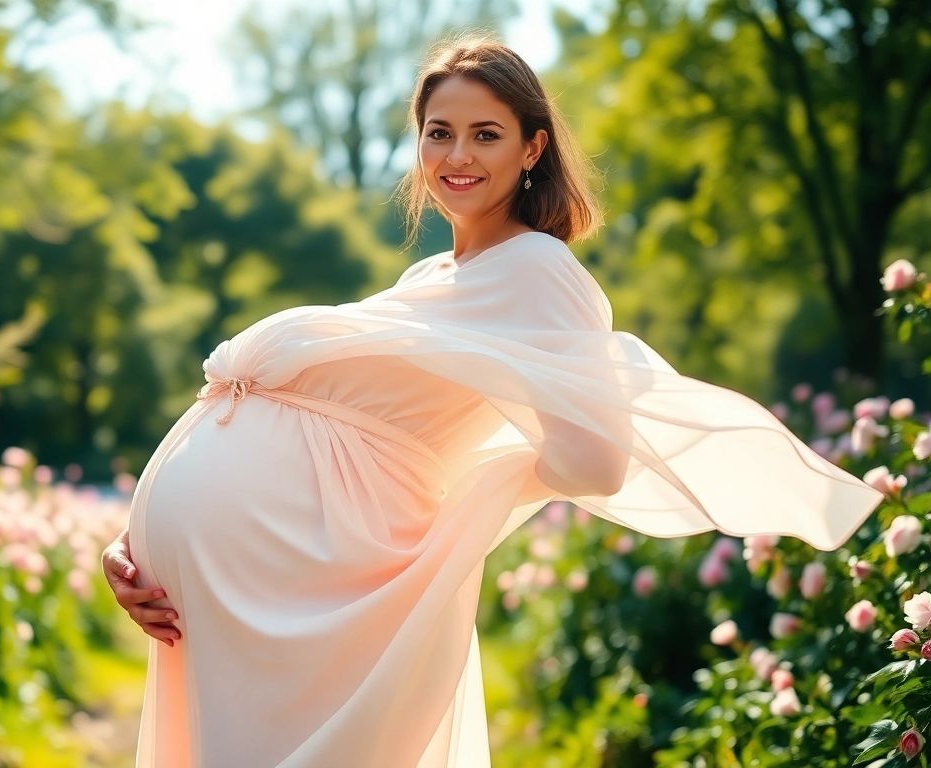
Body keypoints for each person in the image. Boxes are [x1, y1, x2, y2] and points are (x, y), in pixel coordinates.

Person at [99, 32, 883, 768]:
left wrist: (475, 495)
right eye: (438, 133)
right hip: (247, 588)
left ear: (532, 148)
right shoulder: (431, 277)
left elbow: (595, 460)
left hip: (307, 589)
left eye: (486, 134)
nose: (457, 156)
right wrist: (143, 540)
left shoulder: (540, 269)